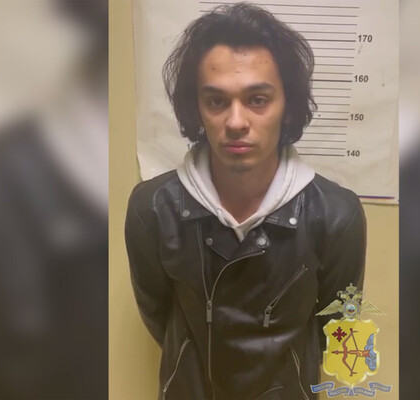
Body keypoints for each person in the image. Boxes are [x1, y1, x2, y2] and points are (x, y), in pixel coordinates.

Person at [125, 3, 366, 399]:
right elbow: (158, 314)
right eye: (216, 101)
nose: (236, 122)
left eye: (257, 99)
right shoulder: (152, 208)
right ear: (197, 108)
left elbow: (337, 328)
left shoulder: (337, 216)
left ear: (286, 106)